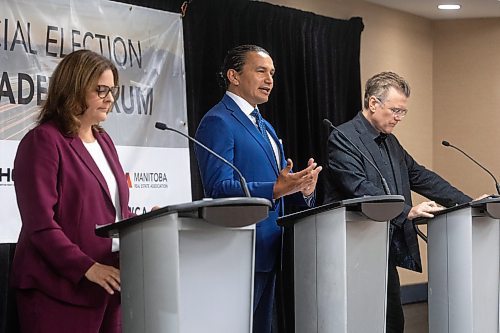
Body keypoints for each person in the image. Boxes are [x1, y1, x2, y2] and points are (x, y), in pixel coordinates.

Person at [324, 71, 474, 333]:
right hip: (353, 249)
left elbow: (420, 176)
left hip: (383, 247)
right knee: (362, 322)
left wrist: (468, 203)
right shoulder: (343, 138)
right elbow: (359, 189)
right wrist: (408, 211)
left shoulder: (390, 142)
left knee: (392, 322)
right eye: (395, 110)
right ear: (373, 103)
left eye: (403, 112)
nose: (399, 118)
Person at [195, 44, 322, 333]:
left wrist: (302, 189)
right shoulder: (218, 121)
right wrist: (275, 189)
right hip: (239, 250)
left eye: (273, 73)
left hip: (270, 248)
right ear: (234, 76)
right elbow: (218, 187)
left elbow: (278, 186)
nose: (270, 80)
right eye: (261, 71)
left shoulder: (265, 126)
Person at [11, 49, 133, 333]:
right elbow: (40, 224)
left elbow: (115, 211)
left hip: (108, 286)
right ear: (74, 89)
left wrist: (144, 224)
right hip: (58, 290)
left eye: (112, 90)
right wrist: (86, 267)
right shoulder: (43, 141)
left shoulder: (105, 141)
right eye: (101, 90)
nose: (110, 98)